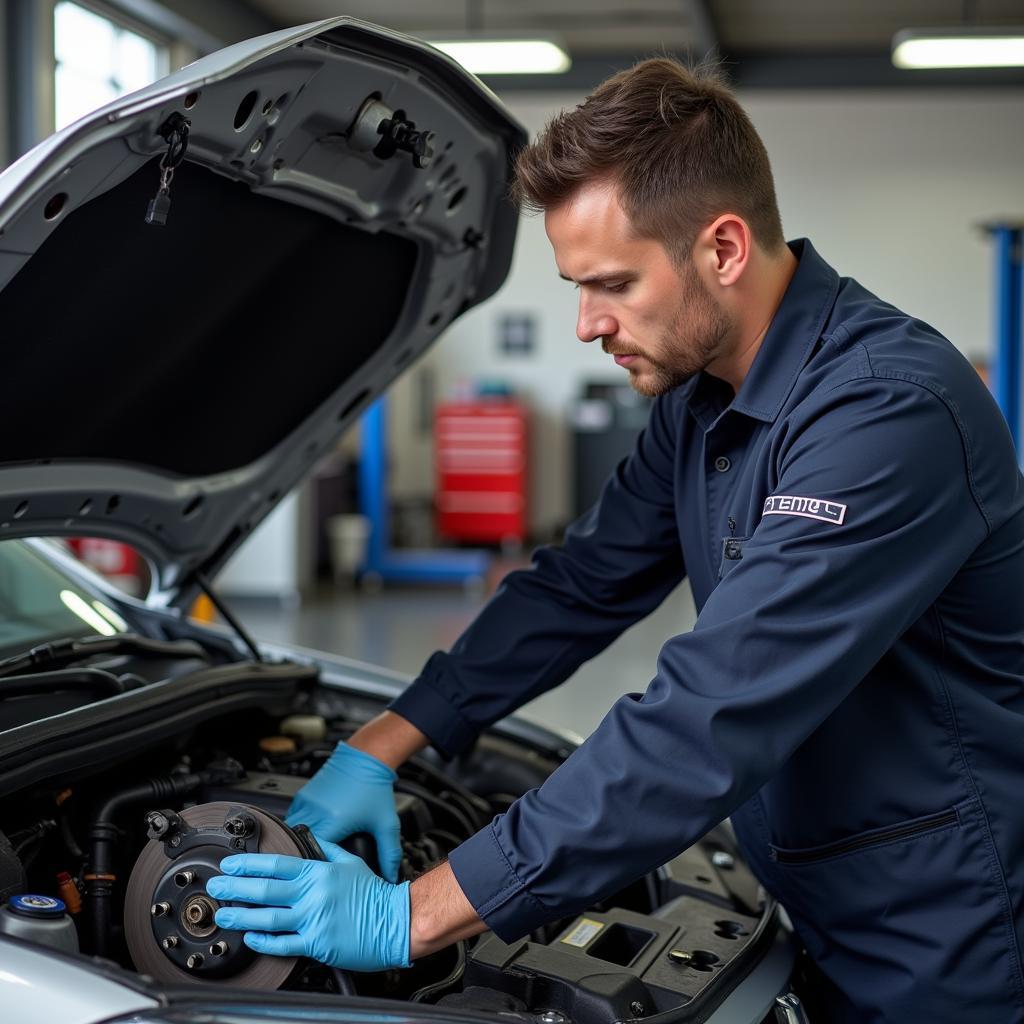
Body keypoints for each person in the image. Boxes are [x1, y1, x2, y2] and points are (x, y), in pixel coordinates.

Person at [205, 58, 1024, 1022]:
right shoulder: (701, 395)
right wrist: (383, 744)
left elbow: (711, 711)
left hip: (943, 931)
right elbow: (579, 584)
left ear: (722, 248)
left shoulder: (887, 413)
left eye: (613, 285)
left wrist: (412, 915)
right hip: (824, 883)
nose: (588, 324)